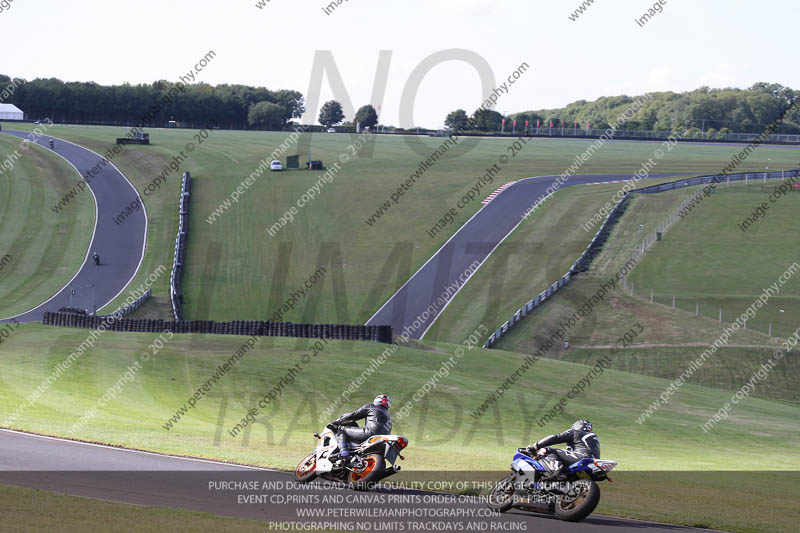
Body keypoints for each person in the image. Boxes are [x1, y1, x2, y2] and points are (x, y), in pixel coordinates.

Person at [329, 394, 392, 463]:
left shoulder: (371, 407)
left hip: (370, 434)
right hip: (381, 440)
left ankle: (343, 451)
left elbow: (353, 415)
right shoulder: (388, 416)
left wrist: (335, 422)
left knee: (342, 429)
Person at [528, 419, 600, 476]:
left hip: (580, 458)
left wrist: (535, 446)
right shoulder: (593, 437)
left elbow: (555, 438)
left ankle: (557, 470)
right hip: (593, 462)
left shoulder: (575, 432)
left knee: (547, 450)